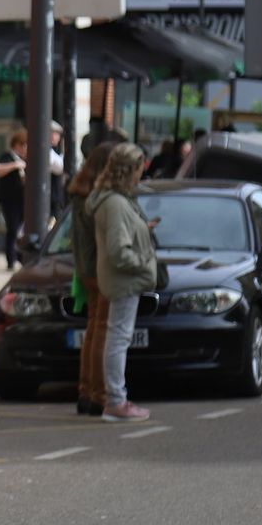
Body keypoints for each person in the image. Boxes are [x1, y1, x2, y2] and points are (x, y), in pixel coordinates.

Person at [88, 143, 156, 423]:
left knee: (117, 337)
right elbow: (118, 250)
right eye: (139, 169)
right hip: (125, 279)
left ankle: (116, 398)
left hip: (122, 279)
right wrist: (142, 263)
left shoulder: (113, 199)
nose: (141, 174)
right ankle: (116, 400)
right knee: (118, 338)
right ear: (130, 170)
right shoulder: (115, 203)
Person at [68, 140, 117, 417]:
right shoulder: (99, 198)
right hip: (100, 267)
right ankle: (98, 394)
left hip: (84, 267)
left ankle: (86, 391)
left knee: (93, 328)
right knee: (103, 329)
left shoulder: (79, 192)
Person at [0, 128, 28, 269]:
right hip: (10, 200)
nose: (25, 148)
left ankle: (20, 256)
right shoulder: (8, 156)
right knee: (12, 228)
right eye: (23, 145)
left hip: (22, 199)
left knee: (21, 229)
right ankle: (11, 258)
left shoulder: (25, 160)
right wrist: (15, 165)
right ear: (17, 145)